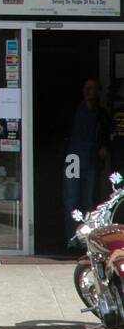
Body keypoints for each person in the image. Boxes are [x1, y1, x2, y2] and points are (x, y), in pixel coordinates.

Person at [63, 78, 109, 245]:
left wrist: (104, 147)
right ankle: (72, 238)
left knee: (89, 200)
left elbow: (105, 134)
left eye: (94, 89)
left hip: (91, 160)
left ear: (98, 92)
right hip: (73, 159)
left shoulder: (101, 114)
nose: (90, 92)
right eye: (87, 88)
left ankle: (86, 240)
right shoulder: (74, 111)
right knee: (71, 199)